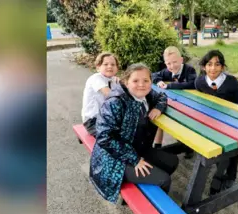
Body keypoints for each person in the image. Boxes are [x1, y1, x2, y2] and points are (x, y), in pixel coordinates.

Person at [90, 63, 179, 203]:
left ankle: (150, 193)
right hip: (114, 160)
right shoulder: (115, 102)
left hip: (137, 148)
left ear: (151, 81)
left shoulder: (147, 94)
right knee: (164, 180)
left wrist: (158, 108)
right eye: (135, 81)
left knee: (172, 161)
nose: (141, 85)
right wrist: (134, 159)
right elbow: (104, 138)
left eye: (146, 80)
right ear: (126, 81)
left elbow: (162, 96)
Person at [194, 49, 238, 195]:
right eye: (209, 64)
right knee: (212, 145)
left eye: (217, 64)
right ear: (203, 67)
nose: (213, 68)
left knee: (231, 147)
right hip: (211, 123)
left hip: (232, 124)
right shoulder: (200, 81)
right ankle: (219, 169)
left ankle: (228, 175)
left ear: (223, 67)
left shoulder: (231, 83)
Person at [151, 46, 197, 158]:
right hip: (174, 102)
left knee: (185, 123)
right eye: (168, 63)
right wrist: (159, 81)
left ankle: (188, 146)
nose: (172, 66)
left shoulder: (189, 70)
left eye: (174, 62)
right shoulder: (167, 71)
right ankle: (158, 146)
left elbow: (192, 83)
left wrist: (170, 85)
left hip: (189, 104)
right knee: (160, 115)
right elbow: (153, 75)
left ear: (181, 60)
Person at [81, 52, 122, 137]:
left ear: (117, 68)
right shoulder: (96, 78)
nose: (110, 66)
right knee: (112, 138)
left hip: (107, 118)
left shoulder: (114, 80)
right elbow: (109, 94)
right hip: (93, 120)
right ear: (98, 67)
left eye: (113, 64)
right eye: (105, 64)